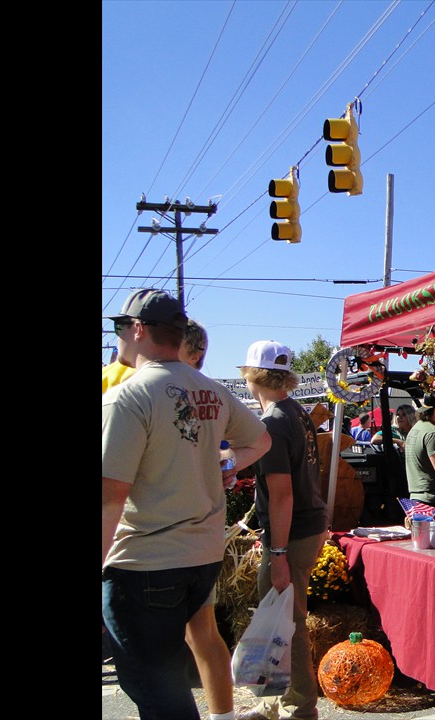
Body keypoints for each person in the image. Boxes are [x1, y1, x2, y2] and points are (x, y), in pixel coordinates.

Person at [103, 289, 271, 720]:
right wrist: (228, 462)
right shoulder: (210, 390)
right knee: (168, 683)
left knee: (158, 692)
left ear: (138, 330)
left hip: (145, 562)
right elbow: (260, 440)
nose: (118, 337)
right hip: (201, 555)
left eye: (120, 328)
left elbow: (109, 498)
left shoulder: (127, 396)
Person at [237, 340, 328, 720]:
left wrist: (277, 554)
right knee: (281, 620)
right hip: (307, 526)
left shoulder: (273, 420)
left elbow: (282, 495)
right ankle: (273, 702)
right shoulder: (296, 412)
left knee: (286, 624)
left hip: (292, 533)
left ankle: (299, 708)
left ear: (252, 376)